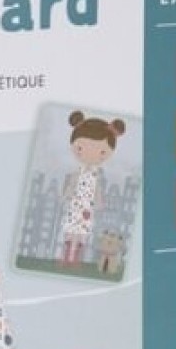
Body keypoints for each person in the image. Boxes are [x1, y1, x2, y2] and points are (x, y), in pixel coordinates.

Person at [56, 112, 125, 266]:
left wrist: (99, 203)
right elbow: (72, 185)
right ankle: (66, 257)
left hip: (87, 208)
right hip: (75, 206)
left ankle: (75, 259)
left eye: (102, 152)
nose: (90, 154)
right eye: (81, 148)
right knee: (70, 233)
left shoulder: (96, 175)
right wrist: (65, 196)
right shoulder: (77, 172)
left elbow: (97, 190)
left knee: (81, 234)